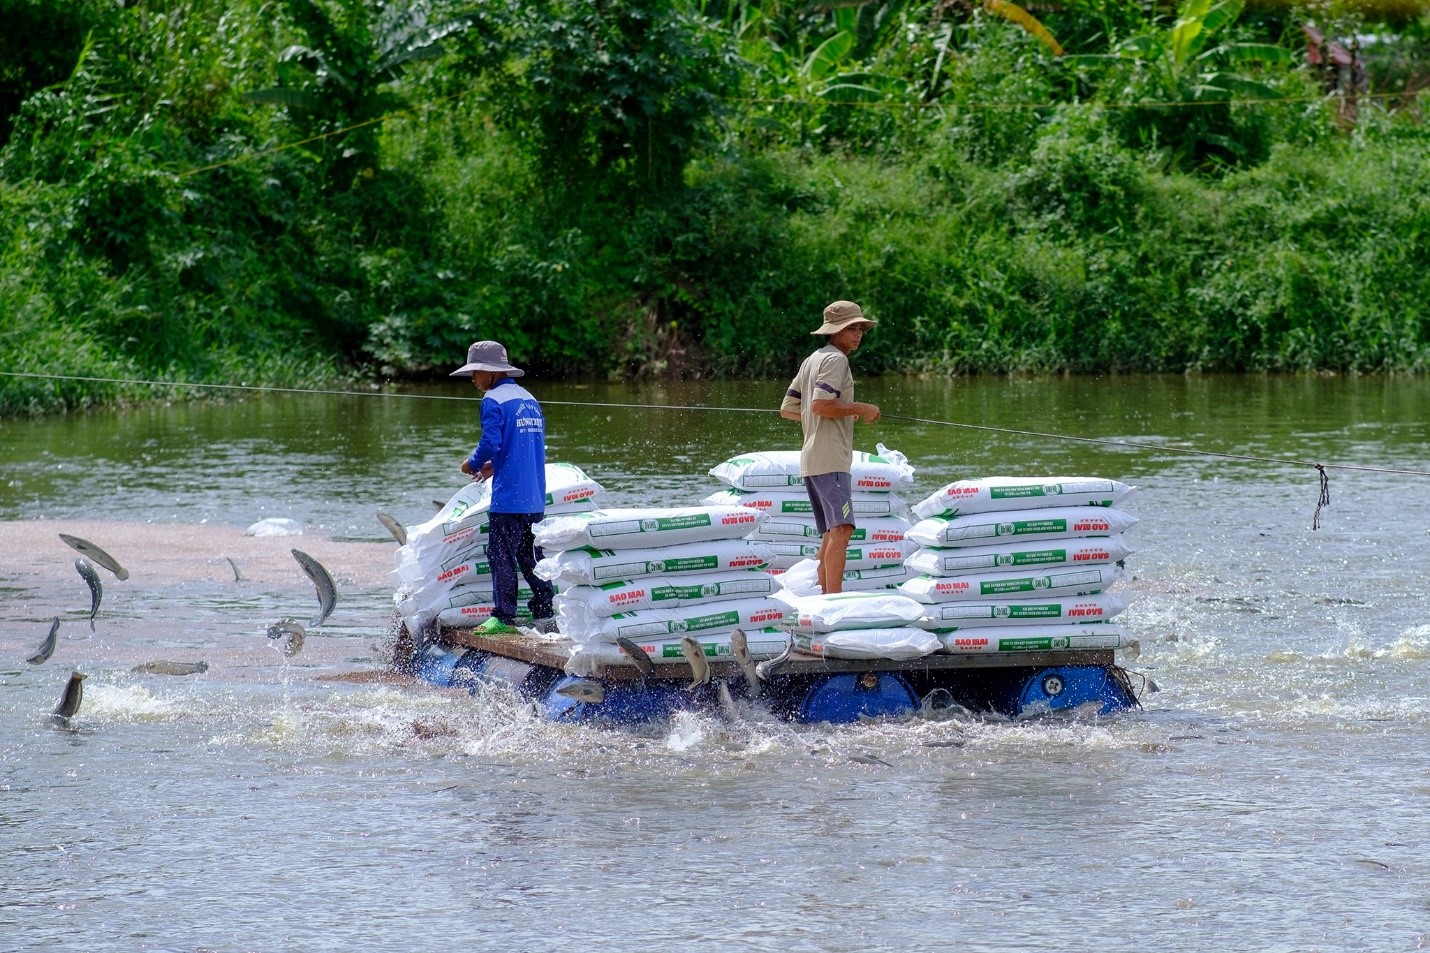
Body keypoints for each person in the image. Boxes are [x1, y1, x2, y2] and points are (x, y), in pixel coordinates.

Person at [450, 340, 556, 635]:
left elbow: (491, 442)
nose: (473, 379)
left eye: (475, 372)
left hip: (509, 497)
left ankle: (503, 617)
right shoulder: (529, 399)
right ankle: (544, 609)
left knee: (501, 555)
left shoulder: (492, 400)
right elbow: (522, 445)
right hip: (533, 496)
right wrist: (493, 467)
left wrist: (472, 464)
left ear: (492, 372)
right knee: (530, 556)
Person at [779, 301, 881, 595]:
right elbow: (820, 405)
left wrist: (840, 412)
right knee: (842, 529)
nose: (858, 334)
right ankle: (834, 598)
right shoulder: (837, 360)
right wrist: (860, 408)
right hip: (831, 457)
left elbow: (789, 408)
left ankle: (825, 595)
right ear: (834, 331)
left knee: (831, 531)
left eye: (860, 328)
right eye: (851, 328)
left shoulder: (812, 359)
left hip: (812, 459)